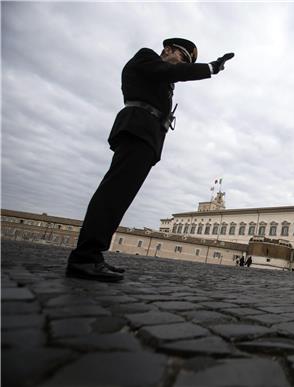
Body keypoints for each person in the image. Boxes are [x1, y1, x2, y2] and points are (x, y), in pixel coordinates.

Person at [66, 38, 234, 282]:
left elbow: (171, 75)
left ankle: (93, 255)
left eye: (187, 62)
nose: (183, 64)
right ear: (168, 50)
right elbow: (171, 71)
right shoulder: (147, 57)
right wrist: (210, 68)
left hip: (148, 136)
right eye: (182, 57)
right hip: (138, 128)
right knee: (113, 194)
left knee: (119, 197)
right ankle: (84, 257)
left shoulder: (163, 77)